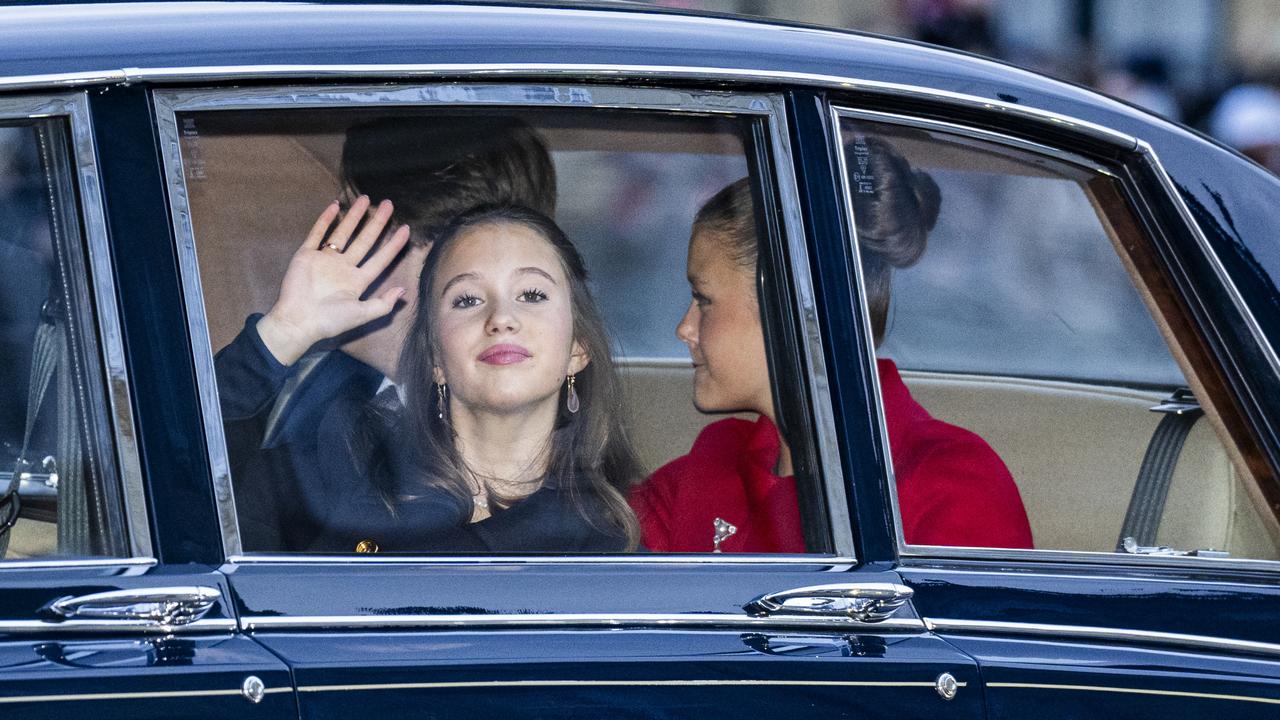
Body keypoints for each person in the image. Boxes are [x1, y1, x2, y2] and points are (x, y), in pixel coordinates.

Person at [630, 137, 1033, 552]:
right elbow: (594, 544)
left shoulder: (951, 485)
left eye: (704, 301)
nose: (684, 328)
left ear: (788, 306)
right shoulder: (712, 465)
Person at [214, 116, 556, 551]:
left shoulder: (513, 428)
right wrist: (281, 336)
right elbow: (177, 490)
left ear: (448, 256)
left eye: (357, 220)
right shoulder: (323, 386)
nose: (327, 246)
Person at [299, 205, 641, 552]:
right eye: (468, 300)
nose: (501, 318)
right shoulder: (341, 479)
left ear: (578, 348)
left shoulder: (614, 557)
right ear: (435, 356)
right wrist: (284, 333)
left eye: (532, 295)